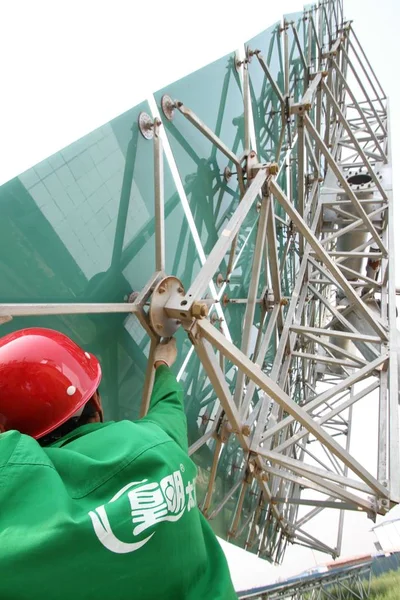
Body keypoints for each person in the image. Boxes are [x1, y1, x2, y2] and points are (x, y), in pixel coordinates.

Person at [0, 327, 237, 600]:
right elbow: (169, 408)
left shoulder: (16, 493)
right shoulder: (159, 441)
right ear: (97, 401)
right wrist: (162, 364)